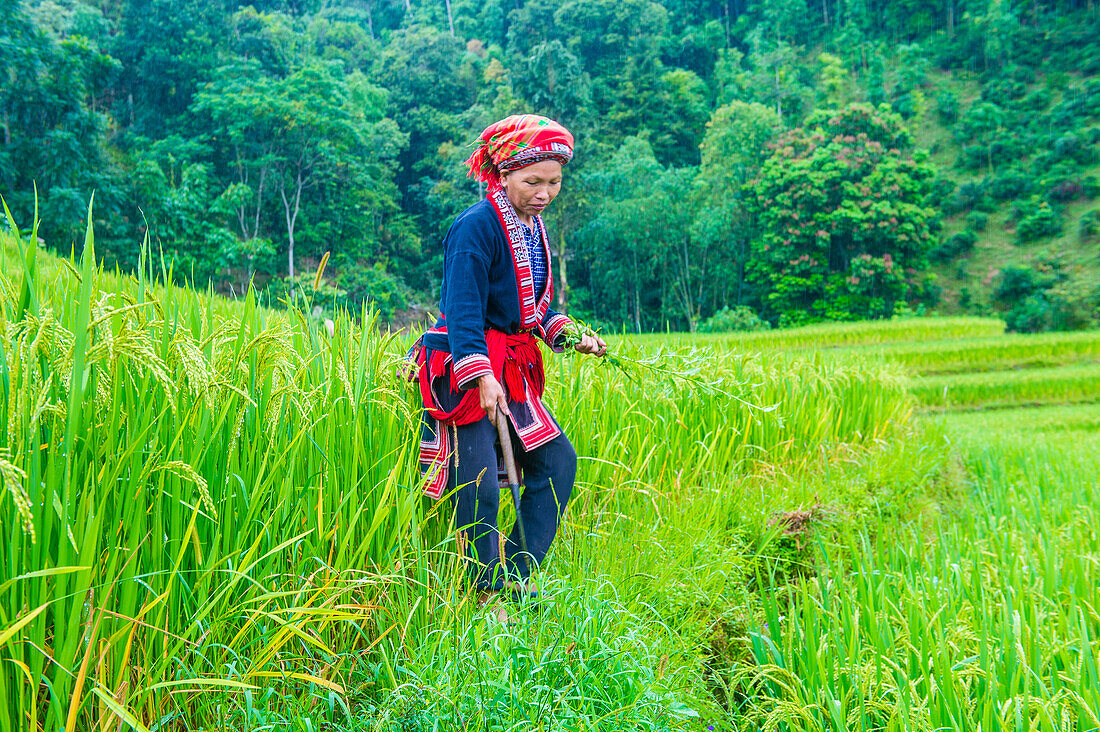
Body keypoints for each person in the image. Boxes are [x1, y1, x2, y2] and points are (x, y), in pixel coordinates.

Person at [410, 114, 606, 611]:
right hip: (463, 363)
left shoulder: (532, 228)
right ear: (503, 175)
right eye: (532, 181)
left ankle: (518, 575)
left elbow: (530, 312)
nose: (544, 192)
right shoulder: (475, 228)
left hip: (512, 366)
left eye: (554, 181)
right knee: (478, 484)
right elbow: (464, 310)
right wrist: (481, 376)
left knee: (557, 462)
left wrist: (569, 334)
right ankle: (485, 591)